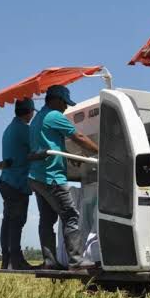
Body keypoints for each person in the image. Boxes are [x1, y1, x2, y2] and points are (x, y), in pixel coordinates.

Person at [28, 85, 99, 270]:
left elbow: (48, 142)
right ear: (56, 100)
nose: (66, 108)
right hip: (52, 177)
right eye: (65, 103)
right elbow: (80, 136)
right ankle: (76, 260)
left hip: (37, 176)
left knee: (46, 220)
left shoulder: (38, 118)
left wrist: (67, 156)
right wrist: (102, 152)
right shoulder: (54, 116)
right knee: (71, 216)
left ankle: (50, 261)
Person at [0, 98, 36, 270]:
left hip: (6, 181)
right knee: (17, 222)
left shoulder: (9, 129)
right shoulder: (24, 129)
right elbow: (37, 148)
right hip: (17, 183)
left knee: (8, 222)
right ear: (30, 112)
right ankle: (16, 260)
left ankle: (7, 260)